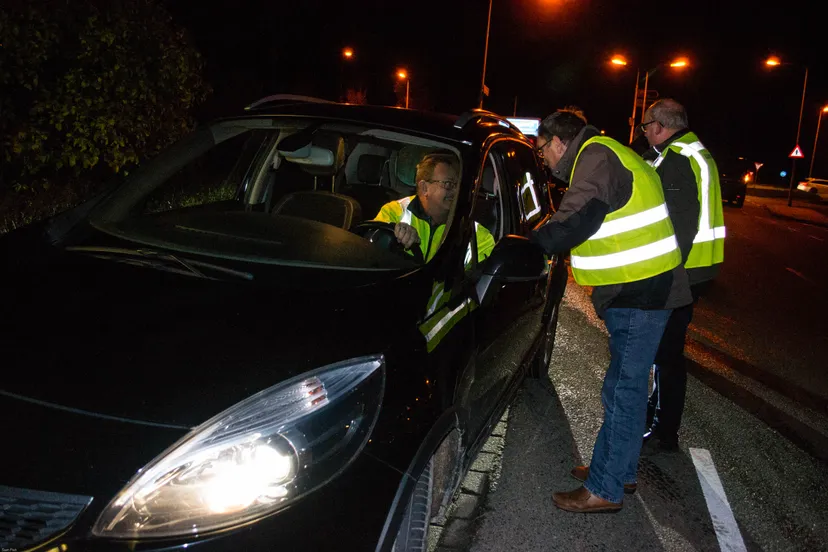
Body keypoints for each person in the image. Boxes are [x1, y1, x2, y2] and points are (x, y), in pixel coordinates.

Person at [531, 111, 691, 513]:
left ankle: (605, 489)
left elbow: (574, 221)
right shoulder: (607, 151)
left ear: (557, 141)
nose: (543, 160)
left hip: (642, 290)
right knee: (628, 388)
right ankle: (619, 469)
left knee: (623, 389)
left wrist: (527, 245)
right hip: (641, 287)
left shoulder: (595, 156)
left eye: (541, 150)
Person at [640, 99, 725, 450]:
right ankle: (658, 415)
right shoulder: (691, 151)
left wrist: (662, 273)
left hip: (682, 271)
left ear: (659, 125)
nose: (643, 132)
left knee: (666, 351)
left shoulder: (677, 160)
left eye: (645, 125)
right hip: (695, 269)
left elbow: (679, 227)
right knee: (667, 349)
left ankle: (664, 430)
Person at [374, 151, 494, 263]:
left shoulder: (477, 235)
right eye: (449, 184)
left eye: (459, 185)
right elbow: (371, 251)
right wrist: (396, 235)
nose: (457, 191)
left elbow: (486, 277)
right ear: (424, 188)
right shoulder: (394, 212)